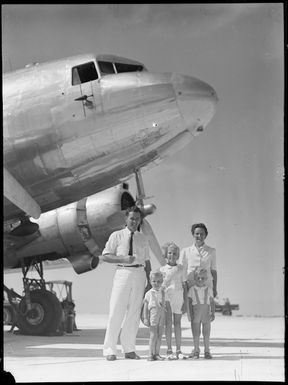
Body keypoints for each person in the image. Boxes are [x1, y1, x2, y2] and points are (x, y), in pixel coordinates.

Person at [101, 206, 151, 361]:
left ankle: (129, 349)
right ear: (126, 219)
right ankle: (110, 349)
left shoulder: (143, 238)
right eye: (132, 218)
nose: (135, 221)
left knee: (134, 313)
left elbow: (147, 261)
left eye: (137, 219)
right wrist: (122, 259)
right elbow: (105, 256)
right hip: (123, 273)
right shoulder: (117, 235)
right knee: (116, 310)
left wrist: (149, 281)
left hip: (140, 274)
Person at [160, 242, 187, 360]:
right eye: (169, 253)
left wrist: (185, 302)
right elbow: (160, 287)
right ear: (166, 254)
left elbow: (185, 285)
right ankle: (169, 349)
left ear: (178, 255)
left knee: (177, 323)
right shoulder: (162, 269)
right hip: (167, 298)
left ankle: (179, 349)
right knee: (168, 323)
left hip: (178, 297)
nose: (172, 255)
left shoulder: (181, 268)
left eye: (175, 253)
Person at [179, 223, 217, 299]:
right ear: (193, 234)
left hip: (207, 286)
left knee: (206, 309)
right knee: (190, 309)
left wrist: (215, 288)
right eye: (197, 234)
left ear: (205, 235)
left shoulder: (211, 251)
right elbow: (181, 271)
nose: (199, 236)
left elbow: (214, 271)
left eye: (202, 234)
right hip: (190, 287)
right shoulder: (185, 251)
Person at [187, 267, 215, 359]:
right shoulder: (191, 290)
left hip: (206, 314)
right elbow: (189, 303)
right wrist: (189, 314)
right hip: (196, 315)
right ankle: (196, 350)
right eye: (198, 277)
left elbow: (212, 302)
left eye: (202, 278)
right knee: (196, 333)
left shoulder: (209, 289)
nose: (200, 280)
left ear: (206, 279)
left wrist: (213, 312)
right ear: (195, 278)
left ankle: (207, 351)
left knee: (206, 333)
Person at [143, 270, 166, 361]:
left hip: (161, 315)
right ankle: (150, 354)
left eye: (159, 281)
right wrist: (145, 318)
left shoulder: (163, 292)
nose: (156, 283)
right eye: (154, 281)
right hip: (153, 315)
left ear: (162, 282)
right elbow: (145, 306)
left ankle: (157, 353)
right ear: (150, 281)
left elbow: (165, 305)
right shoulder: (149, 293)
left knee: (160, 335)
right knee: (153, 335)